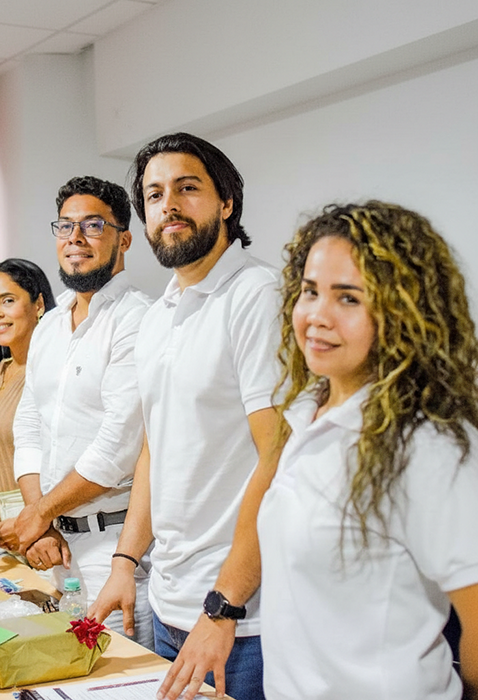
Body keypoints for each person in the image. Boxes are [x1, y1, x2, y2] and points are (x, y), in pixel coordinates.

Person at [257, 201, 478, 699]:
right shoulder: (306, 413)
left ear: (402, 313)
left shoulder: (425, 448)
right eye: (310, 291)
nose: (318, 316)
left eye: (349, 298)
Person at [90, 133, 281, 700]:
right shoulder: (160, 314)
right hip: (168, 605)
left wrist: (224, 607)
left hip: (242, 621)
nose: (168, 204)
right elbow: (156, 449)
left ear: (226, 203)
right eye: (154, 195)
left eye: (187, 188)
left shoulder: (257, 295)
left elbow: (278, 460)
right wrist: (125, 562)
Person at [0, 176, 154, 649]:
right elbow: (29, 426)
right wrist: (41, 521)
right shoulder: (49, 325)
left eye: (93, 225)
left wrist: (39, 513)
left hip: (116, 548)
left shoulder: (138, 318)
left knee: (117, 676)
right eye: (65, 226)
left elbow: (118, 446)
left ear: (124, 239)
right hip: (54, 546)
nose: (75, 238)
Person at [0, 259, 56, 522]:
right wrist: (0, 500)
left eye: (7, 301)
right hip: (1, 515)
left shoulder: (52, 369)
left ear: (38, 304)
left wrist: (30, 514)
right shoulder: (0, 370)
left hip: (44, 512)